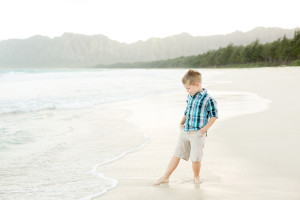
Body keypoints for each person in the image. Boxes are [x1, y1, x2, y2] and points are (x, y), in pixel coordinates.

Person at [153, 69, 218, 186]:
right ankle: (165, 177)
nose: (187, 90)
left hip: (198, 133)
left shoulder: (208, 99)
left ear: (197, 84)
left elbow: (214, 116)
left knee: (195, 158)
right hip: (185, 130)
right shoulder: (190, 96)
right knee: (176, 154)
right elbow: (187, 110)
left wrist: (204, 129)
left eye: (188, 88)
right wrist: (181, 121)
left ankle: (196, 176)